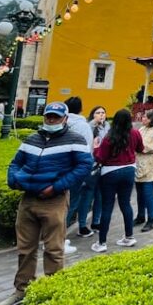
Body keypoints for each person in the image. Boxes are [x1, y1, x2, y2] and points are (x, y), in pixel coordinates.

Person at [0, 102, 92, 305]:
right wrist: (13, 180)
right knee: (25, 248)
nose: (51, 120)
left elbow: (85, 165)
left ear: (65, 119)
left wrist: (56, 187)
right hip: (29, 198)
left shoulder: (75, 140)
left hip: (54, 199)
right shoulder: (32, 139)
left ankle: (52, 293)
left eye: (56, 117)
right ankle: (22, 289)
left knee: (54, 249)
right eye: (49, 116)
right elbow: (16, 163)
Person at [91, 109, 143, 253]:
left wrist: (96, 148)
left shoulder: (110, 136)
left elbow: (100, 157)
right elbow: (141, 148)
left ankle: (102, 242)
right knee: (125, 204)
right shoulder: (135, 133)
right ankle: (129, 237)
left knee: (107, 206)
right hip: (129, 170)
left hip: (110, 172)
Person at [62, 97, 93, 253]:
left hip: (60, 168)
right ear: (81, 109)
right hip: (76, 169)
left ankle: (53, 236)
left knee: (59, 203)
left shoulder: (61, 122)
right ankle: (58, 238)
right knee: (72, 202)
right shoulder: (83, 125)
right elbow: (87, 149)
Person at [74, 106, 108, 237]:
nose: (101, 115)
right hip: (90, 165)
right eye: (98, 113)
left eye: (103, 112)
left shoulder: (107, 127)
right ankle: (82, 225)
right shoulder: (87, 127)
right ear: (92, 115)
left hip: (103, 165)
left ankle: (96, 221)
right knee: (87, 196)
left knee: (100, 196)